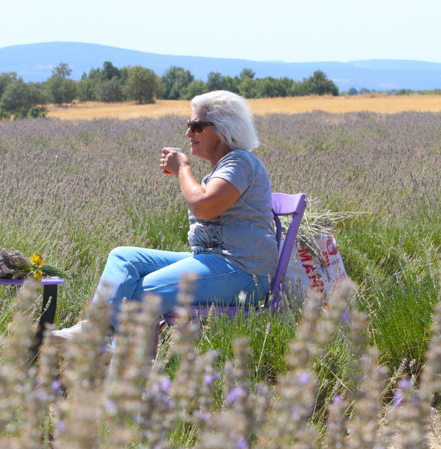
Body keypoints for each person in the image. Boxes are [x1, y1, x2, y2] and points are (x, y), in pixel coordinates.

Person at [52, 90, 277, 341]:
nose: (188, 133)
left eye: (196, 126)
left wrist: (182, 168)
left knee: (141, 294)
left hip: (243, 273)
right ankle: (98, 333)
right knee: (124, 257)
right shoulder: (224, 168)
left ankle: (107, 348)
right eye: (189, 125)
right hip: (215, 261)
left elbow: (203, 205)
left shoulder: (240, 162)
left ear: (224, 129)